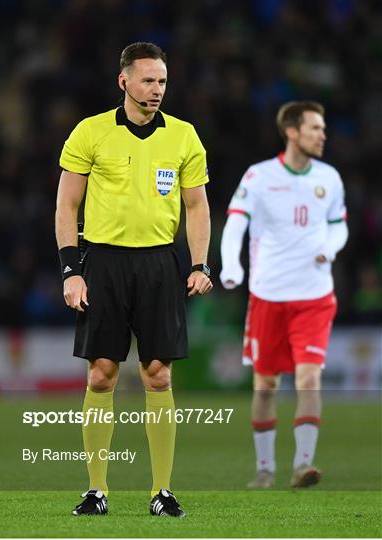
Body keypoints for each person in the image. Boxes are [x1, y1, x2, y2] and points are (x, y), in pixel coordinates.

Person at [55, 42, 212, 517]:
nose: (156, 89)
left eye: (162, 81)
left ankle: (160, 492)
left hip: (159, 264)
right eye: (147, 80)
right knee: (101, 374)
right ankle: (96, 490)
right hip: (103, 263)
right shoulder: (90, 132)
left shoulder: (183, 136)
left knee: (158, 375)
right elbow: (66, 205)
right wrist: (71, 270)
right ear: (123, 81)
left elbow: (197, 205)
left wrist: (200, 263)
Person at [220, 101, 348, 488]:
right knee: (266, 385)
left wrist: (330, 247)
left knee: (309, 380)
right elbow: (235, 224)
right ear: (292, 132)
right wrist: (231, 266)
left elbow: (339, 226)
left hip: (314, 295)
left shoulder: (330, 178)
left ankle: (302, 466)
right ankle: (264, 469)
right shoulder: (258, 177)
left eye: (323, 129)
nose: (322, 135)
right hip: (268, 296)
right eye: (315, 128)